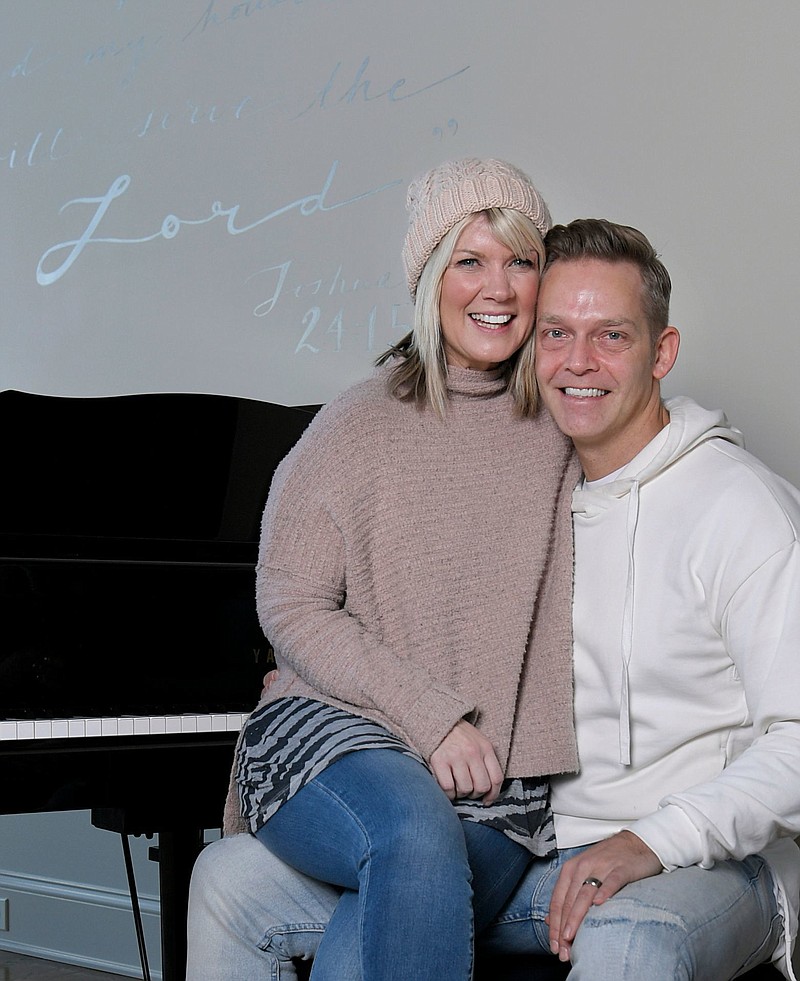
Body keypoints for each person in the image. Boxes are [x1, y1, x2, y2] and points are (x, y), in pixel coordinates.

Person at [187, 215, 800, 980]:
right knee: (228, 880)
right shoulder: (532, 479)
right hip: (537, 842)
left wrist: (655, 839)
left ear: (662, 352)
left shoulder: (739, 507)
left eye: (611, 335)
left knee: (626, 946)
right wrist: (318, 685)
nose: (580, 362)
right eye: (555, 334)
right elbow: (415, 630)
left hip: (690, 852)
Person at [209, 157, 583, 981]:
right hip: (334, 738)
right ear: (429, 276)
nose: (500, 286)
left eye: (522, 260)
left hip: (495, 778)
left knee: (373, 929)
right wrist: (433, 716)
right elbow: (291, 600)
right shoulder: (357, 423)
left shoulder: (566, 422)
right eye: (470, 260)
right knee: (411, 830)